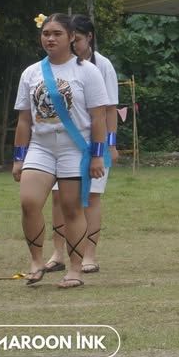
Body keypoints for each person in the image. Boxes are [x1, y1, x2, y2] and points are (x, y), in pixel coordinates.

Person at [12, 13, 108, 289]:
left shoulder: (87, 71)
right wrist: (19, 158)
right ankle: (35, 261)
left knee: (71, 208)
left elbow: (99, 116)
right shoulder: (30, 73)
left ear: (71, 38)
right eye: (46, 33)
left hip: (74, 148)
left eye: (57, 34)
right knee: (29, 202)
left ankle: (75, 269)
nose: (50, 38)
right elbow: (24, 120)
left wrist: (98, 154)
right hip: (41, 147)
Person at [43, 15, 120, 275]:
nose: (73, 44)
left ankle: (89, 254)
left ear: (89, 37)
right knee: (57, 197)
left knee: (91, 198)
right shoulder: (56, 66)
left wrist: (110, 144)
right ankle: (58, 252)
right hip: (60, 144)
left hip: (92, 144)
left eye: (76, 39)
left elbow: (109, 109)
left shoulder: (101, 66)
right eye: (70, 38)